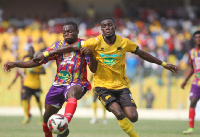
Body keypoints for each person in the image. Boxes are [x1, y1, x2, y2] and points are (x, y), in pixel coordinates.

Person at [32, 17, 180, 137]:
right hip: (102, 86)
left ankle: (121, 110)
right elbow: (71, 47)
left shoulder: (124, 42)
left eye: (110, 25)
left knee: (133, 117)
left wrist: (164, 64)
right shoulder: (95, 42)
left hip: (121, 86)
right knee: (118, 112)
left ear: (115, 27)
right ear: (101, 30)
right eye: (104, 26)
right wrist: (46, 53)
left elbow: (142, 54)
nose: (107, 28)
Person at [4, 22, 97, 137]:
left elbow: (93, 69)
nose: (67, 33)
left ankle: (64, 122)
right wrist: (16, 64)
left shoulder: (84, 45)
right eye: (64, 32)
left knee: (72, 93)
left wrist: (91, 56)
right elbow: (37, 61)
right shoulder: (57, 46)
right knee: (46, 118)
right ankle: (56, 132)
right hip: (58, 85)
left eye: (70, 31)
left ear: (77, 32)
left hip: (77, 82)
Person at [181, 30, 200, 134]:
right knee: (192, 102)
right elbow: (193, 68)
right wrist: (185, 81)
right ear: (194, 39)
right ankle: (191, 128)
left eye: (199, 37)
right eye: (196, 37)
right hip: (196, 83)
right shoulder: (192, 52)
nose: (198, 39)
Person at [21, 46, 46, 124]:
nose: (31, 52)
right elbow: (24, 71)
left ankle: (41, 116)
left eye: (32, 51)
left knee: (38, 100)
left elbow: (44, 72)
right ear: (28, 52)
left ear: (34, 52)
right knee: (24, 98)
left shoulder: (38, 61)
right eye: (30, 51)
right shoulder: (25, 60)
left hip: (36, 85)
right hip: (27, 84)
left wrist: (35, 72)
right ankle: (26, 116)